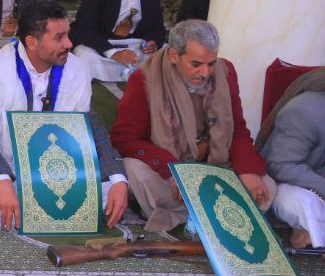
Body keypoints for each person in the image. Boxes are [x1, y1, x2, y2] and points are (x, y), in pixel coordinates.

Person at [0, 0, 130, 228]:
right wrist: (2, 181)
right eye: (59, 38)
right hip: (9, 164)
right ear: (32, 42)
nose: (69, 44)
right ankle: (16, 198)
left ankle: (28, 205)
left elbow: (93, 129)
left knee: (113, 189)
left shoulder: (77, 69)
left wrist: (118, 179)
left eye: (68, 35)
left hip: (60, 168)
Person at [111, 20, 276, 232]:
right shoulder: (144, 80)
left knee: (268, 187)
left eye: (211, 63)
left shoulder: (225, 73)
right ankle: (216, 215)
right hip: (168, 172)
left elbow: (237, 129)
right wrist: (172, 170)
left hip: (215, 167)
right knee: (133, 169)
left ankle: (192, 214)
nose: (205, 72)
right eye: (196, 64)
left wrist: (248, 170)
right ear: (174, 55)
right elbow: (125, 139)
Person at [71, 0, 168, 82]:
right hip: (103, 45)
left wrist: (153, 42)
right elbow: (84, 28)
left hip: (135, 46)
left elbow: (157, 27)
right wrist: (114, 54)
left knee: (169, 53)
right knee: (84, 57)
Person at [258, 70, 325, 249]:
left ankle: (307, 233)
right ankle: (314, 236)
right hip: (285, 187)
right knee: (306, 203)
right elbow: (281, 166)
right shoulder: (304, 111)